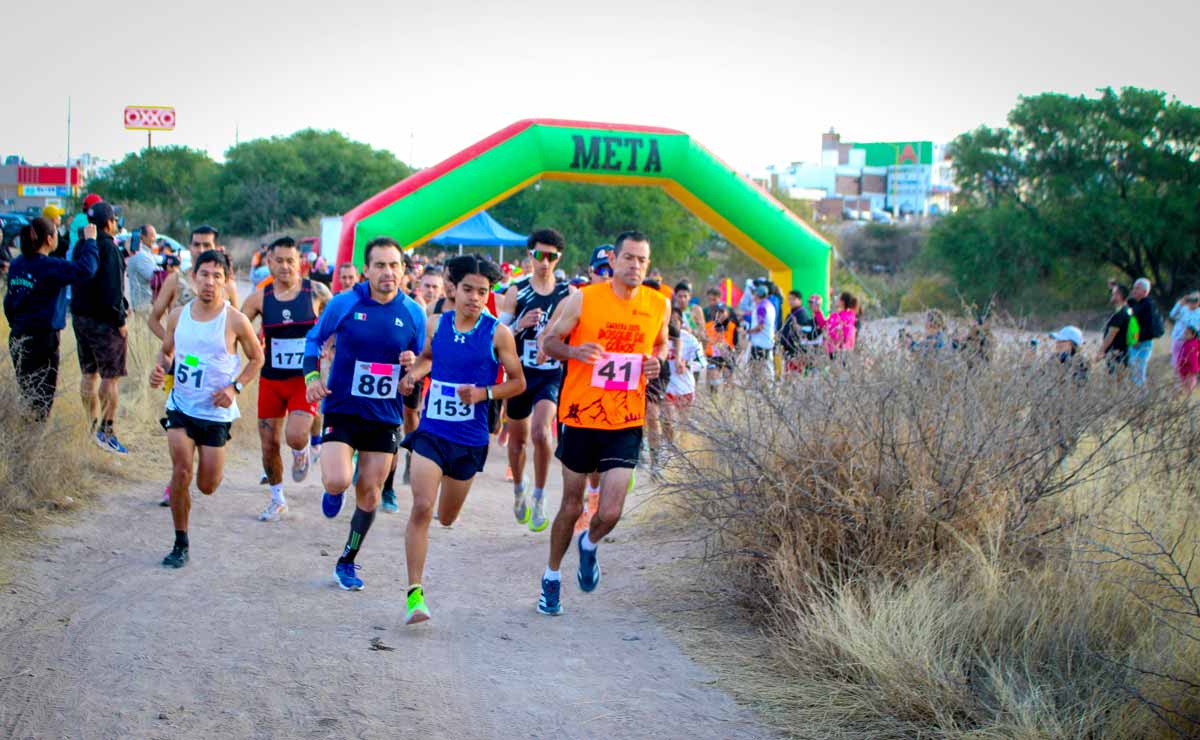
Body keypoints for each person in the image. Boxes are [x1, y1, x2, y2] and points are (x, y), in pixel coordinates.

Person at [535, 230, 669, 616]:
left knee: (609, 512)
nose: (635, 266)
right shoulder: (583, 299)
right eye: (629, 258)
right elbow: (548, 341)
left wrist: (656, 361)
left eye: (642, 259)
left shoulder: (658, 305)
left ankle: (589, 546)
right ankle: (552, 577)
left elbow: (659, 344)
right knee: (572, 504)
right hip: (581, 416)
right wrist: (575, 350)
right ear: (613, 260)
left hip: (626, 418)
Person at [396, 255, 525, 624]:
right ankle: (414, 595)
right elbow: (427, 359)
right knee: (421, 506)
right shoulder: (437, 323)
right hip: (433, 432)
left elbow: (518, 383)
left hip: (469, 441)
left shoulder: (497, 333)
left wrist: (484, 393)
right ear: (453, 289)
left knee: (447, 517)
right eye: (468, 289)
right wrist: (413, 377)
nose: (474, 297)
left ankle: (442, 509)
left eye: (483, 292)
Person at [302, 237, 426, 592]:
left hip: (385, 416)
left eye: (395, 265)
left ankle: (347, 561)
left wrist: (412, 369)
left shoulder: (413, 312)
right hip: (343, 408)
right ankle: (334, 488)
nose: (388, 273)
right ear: (367, 270)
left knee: (370, 493)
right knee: (338, 481)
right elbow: (314, 340)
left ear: (404, 270)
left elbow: (420, 365)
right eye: (381, 265)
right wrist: (312, 376)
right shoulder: (345, 303)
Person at [149, 250, 265, 568]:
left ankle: (202, 482)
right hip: (181, 406)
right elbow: (166, 354)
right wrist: (161, 370)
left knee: (207, 485)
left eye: (217, 276)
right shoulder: (178, 316)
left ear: (226, 281)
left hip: (214, 414)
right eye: (204, 275)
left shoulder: (235, 320)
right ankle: (180, 542)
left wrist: (234, 387)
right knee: (181, 472)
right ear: (193, 277)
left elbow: (257, 359)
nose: (209, 282)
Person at [240, 237, 332, 521]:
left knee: (294, 436)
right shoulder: (259, 298)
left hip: (303, 380)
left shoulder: (316, 292)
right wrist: (253, 343)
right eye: (278, 260)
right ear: (268, 263)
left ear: (300, 262)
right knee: (268, 444)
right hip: (271, 380)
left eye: (290, 261)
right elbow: (236, 330)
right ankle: (277, 499)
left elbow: (338, 321)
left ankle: (303, 449)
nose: (284, 266)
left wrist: (330, 345)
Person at [498, 228, 572, 532]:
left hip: (550, 374)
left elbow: (575, 329)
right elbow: (498, 337)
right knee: (518, 442)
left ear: (559, 258)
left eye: (551, 256)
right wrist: (519, 324)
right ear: (530, 255)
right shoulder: (517, 291)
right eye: (539, 255)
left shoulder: (568, 293)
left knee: (542, 433)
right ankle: (519, 491)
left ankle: (540, 498)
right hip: (520, 374)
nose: (545, 262)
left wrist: (555, 340)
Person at [4, 219, 99, 420]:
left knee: (27, 391)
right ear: (49, 239)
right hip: (42, 339)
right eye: (56, 233)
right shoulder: (49, 266)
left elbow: (8, 301)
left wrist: (17, 324)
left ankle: (26, 434)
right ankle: (35, 440)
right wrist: (91, 242)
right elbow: (85, 270)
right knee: (42, 397)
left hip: (18, 336)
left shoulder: (16, 264)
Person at [70, 201, 130, 454]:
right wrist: (121, 322)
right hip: (105, 322)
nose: (116, 224)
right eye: (114, 220)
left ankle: (90, 426)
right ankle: (106, 431)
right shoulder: (109, 248)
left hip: (81, 318)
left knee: (88, 374)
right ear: (109, 223)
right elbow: (112, 290)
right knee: (110, 377)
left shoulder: (83, 246)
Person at [148, 226, 240, 341]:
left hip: (216, 356)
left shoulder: (228, 284)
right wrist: (173, 344)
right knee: (192, 360)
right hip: (187, 357)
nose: (201, 250)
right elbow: (153, 320)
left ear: (215, 248)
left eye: (206, 245)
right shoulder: (175, 280)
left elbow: (238, 324)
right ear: (190, 247)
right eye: (196, 245)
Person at [662, 308, 704, 444]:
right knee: (668, 421)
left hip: (685, 387)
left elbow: (702, 362)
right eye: (669, 321)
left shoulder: (690, 340)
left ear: (681, 322)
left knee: (684, 424)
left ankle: (684, 451)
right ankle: (670, 449)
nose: (671, 325)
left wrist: (688, 366)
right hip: (667, 387)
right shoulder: (658, 338)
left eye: (674, 321)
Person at [1126, 277, 1163, 386]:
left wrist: (1139, 338)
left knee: (1138, 375)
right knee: (1134, 374)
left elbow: (1150, 326)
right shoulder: (1136, 304)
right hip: (1133, 343)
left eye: (1137, 288)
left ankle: (1142, 400)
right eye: (1134, 288)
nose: (1134, 291)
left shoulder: (1148, 305)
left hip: (1142, 344)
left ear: (1145, 291)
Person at [1098, 282, 1134, 372]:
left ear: (1119, 296)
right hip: (1125, 352)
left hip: (1116, 354)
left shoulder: (1120, 314)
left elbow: (1111, 334)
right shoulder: (1128, 310)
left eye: (1114, 294)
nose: (1112, 296)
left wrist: (1101, 351)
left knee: (1115, 380)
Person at [704, 303, 740, 392]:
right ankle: (713, 400)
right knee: (713, 380)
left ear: (727, 313)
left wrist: (730, 350)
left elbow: (736, 343)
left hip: (728, 356)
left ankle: (728, 402)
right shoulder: (708, 326)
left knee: (728, 382)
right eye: (717, 312)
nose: (719, 314)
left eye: (722, 312)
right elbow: (704, 340)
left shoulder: (732, 326)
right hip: (713, 356)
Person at [127, 224, 160, 314]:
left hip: (144, 304)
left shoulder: (145, 253)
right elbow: (155, 278)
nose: (155, 239)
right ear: (142, 237)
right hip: (143, 305)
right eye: (152, 236)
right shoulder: (141, 255)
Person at [778, 290, 813, 373]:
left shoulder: (801, 314)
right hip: (788, 350)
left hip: (795, 351)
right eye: (789, 299)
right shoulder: (792, 313)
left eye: (793, 299)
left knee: (794, 375)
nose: (790, 302)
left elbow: (803, 332)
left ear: (800, 300)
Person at [746, 283, 777, 372]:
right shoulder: (769, 305)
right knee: (768, 369)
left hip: (760, 343)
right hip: (768, 341)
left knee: (755, 370)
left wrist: (747, 331)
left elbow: (760, 327)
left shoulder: (761, 307)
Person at [1168, 290, 1200, 370]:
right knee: (1176, 360)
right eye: (1191, 299)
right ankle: (1178, 378)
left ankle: (1189, 379)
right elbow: (1172, 315)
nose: (1193, 302)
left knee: (1190, 361)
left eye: (1196, 300)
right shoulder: (1183, 309)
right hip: (1178, 338)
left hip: (1192, 341)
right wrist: (1180, 304)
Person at [1177, 325, 1199, 397]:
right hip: (1184, 369)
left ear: (1193, 335)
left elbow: (1193, 359)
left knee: (1188, 387)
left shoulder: (1191, 345)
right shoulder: (1188, 343)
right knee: (1183, 386)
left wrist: (1192, 371)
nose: (1184, 334)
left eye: (1187, 333)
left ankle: (1187, 400)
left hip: (1189, 371)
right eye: (1184, 333)